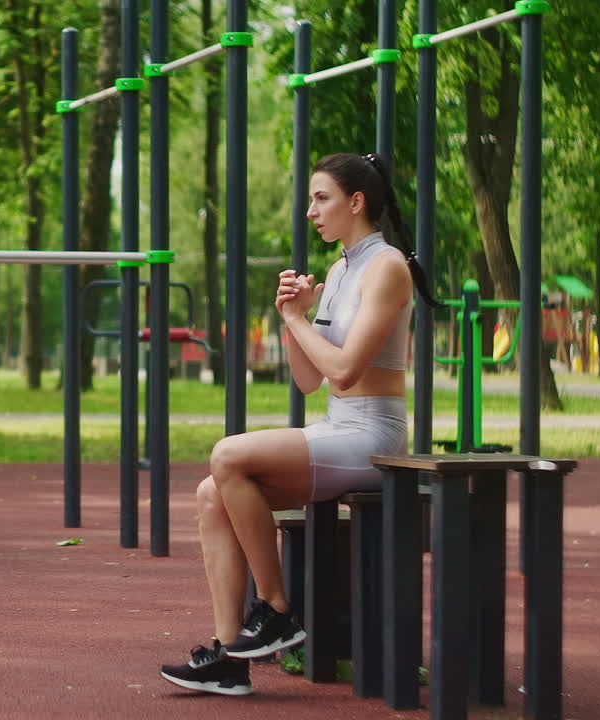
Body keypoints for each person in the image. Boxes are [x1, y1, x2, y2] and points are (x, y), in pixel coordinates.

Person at [159, 153, 440, 696]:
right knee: (211, 491)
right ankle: (229, 657)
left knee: (227, 455)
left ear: (356, 203)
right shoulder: (340, 269)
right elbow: (308, 379)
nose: (311, 210)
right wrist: (298, 319)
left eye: (321, 198)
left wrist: (293, 320)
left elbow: (344, 370)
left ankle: (277, 609)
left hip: (375, 434)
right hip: (340, 426)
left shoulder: (387, 267)